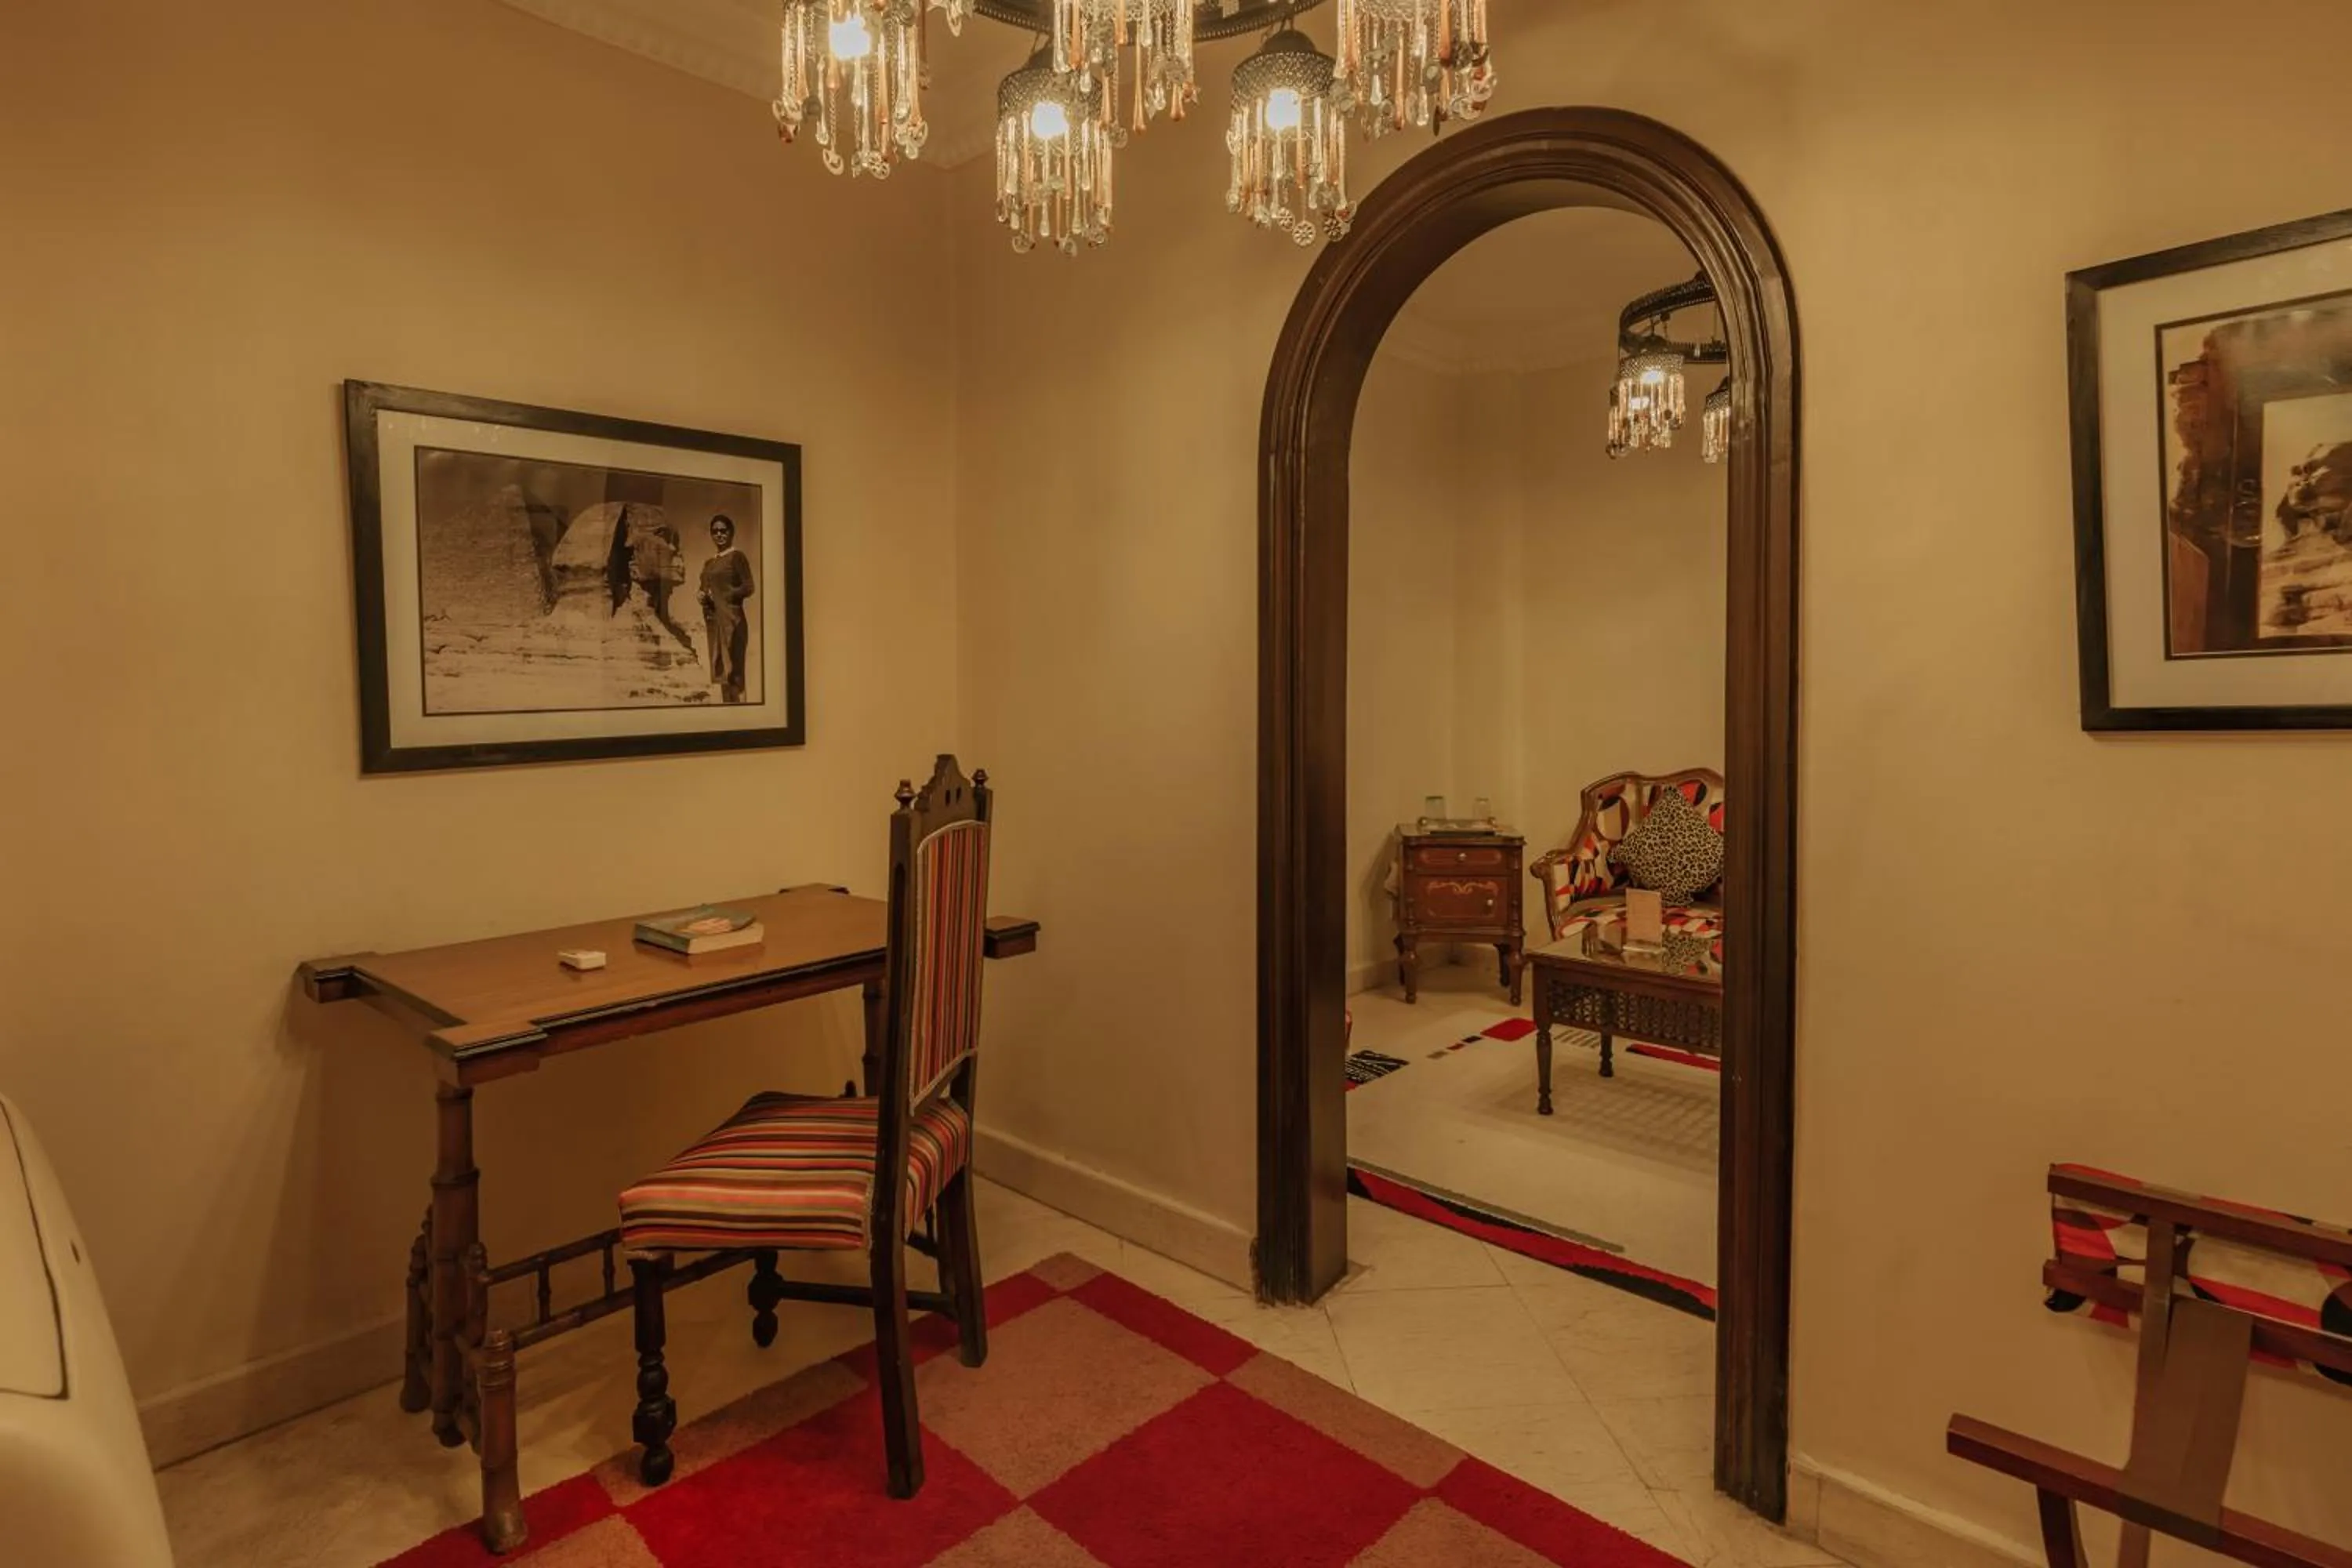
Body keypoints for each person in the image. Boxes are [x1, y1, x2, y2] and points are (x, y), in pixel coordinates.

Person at [698, 514, 756, 703]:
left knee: (736, 676)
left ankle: (743, 716)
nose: (719, 535)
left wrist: (725, 595)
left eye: (723, 530)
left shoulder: (737, 557)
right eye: (715, 531)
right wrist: (701, 595)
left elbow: (749, 587)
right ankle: (729, 715)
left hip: (733, 621)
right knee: (722, 676)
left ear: (731, 532)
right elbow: (704, 588)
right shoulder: (709, 563)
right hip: (715, 624)